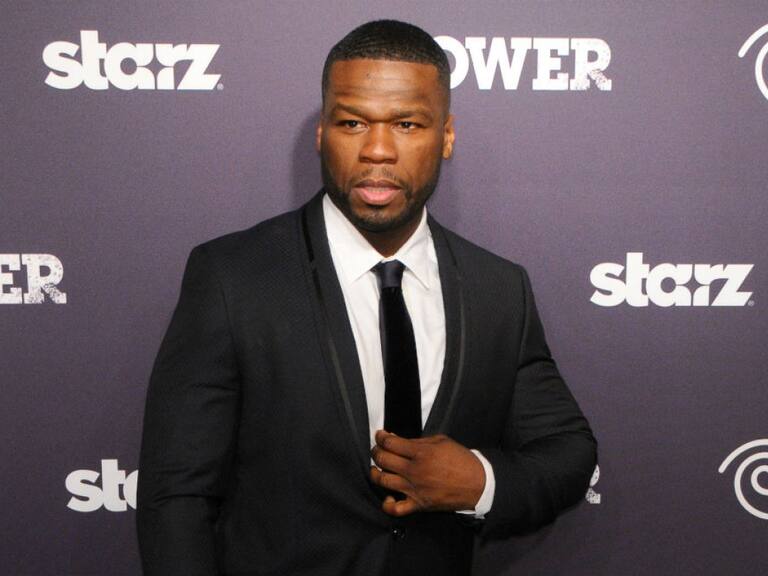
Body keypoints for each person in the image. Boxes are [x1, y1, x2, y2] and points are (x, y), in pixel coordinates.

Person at [137, 19, 596, 576]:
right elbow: (177, 497)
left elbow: (567, 452)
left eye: (407, 124)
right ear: (322, 133)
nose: (378, 150)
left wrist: (479, 481)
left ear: (447, 136)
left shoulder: (498, 288)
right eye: (352, 122)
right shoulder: (233, 277)